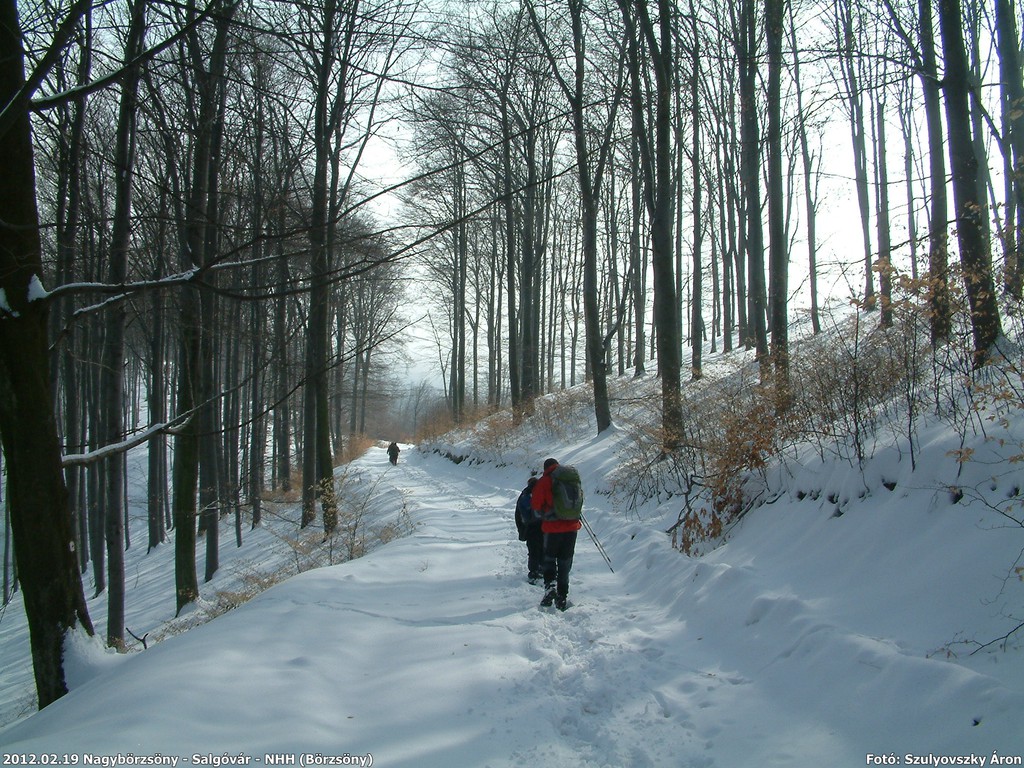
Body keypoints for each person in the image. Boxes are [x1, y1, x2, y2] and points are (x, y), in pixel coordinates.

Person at [531, 457, 582, 610]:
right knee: (565, 561)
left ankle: (550, 586)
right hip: (572, 527)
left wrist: (544, 514)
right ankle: (562, 596)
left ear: (546, 467)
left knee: (549, 558)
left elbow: (536, 504)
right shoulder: (572, 478)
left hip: (552, 528)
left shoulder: (545, 480)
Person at [514, 477, 543, 583]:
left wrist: (521, 530)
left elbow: (518, 514)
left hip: (530, 527)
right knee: (544, 548)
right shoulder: (542, 492)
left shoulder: (525, 494)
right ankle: (543, 569)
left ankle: (534, 572)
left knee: (533, 551)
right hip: (543, 526)